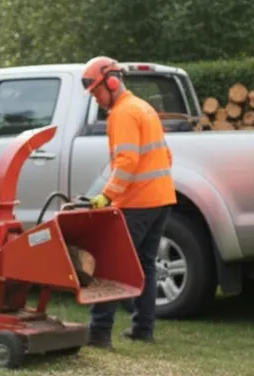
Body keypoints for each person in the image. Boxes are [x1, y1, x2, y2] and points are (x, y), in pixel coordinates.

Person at [80, 55, 177, 349]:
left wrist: (107, 195)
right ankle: (143, 328)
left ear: (111, 82)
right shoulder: (144, 108)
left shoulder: (123, 113)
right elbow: (167, 157)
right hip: (161, 199)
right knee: (145, 264)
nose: (97, 99)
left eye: (97, 92)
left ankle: (99, 332)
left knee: (110, 264)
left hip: (138, 203)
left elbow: (127, 161)